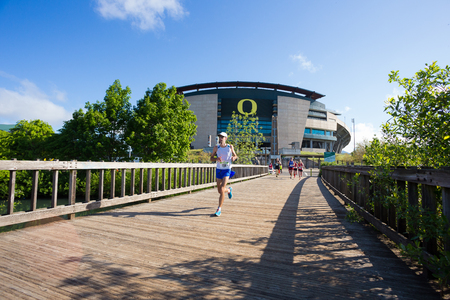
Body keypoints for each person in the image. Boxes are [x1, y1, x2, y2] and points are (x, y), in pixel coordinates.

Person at [210, 132, 238, 217]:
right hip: (219, 170)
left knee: (222, 188)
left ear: (225, 138)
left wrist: (234, 157)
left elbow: (236, 155)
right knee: (219, 190)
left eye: (222, 137)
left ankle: (219, 209)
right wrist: (216, 158)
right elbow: (211, 158)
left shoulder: (230, 147)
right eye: (219, 137)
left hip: (227, 170)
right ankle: (229, 190)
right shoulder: (216, 147)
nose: (220, 138)